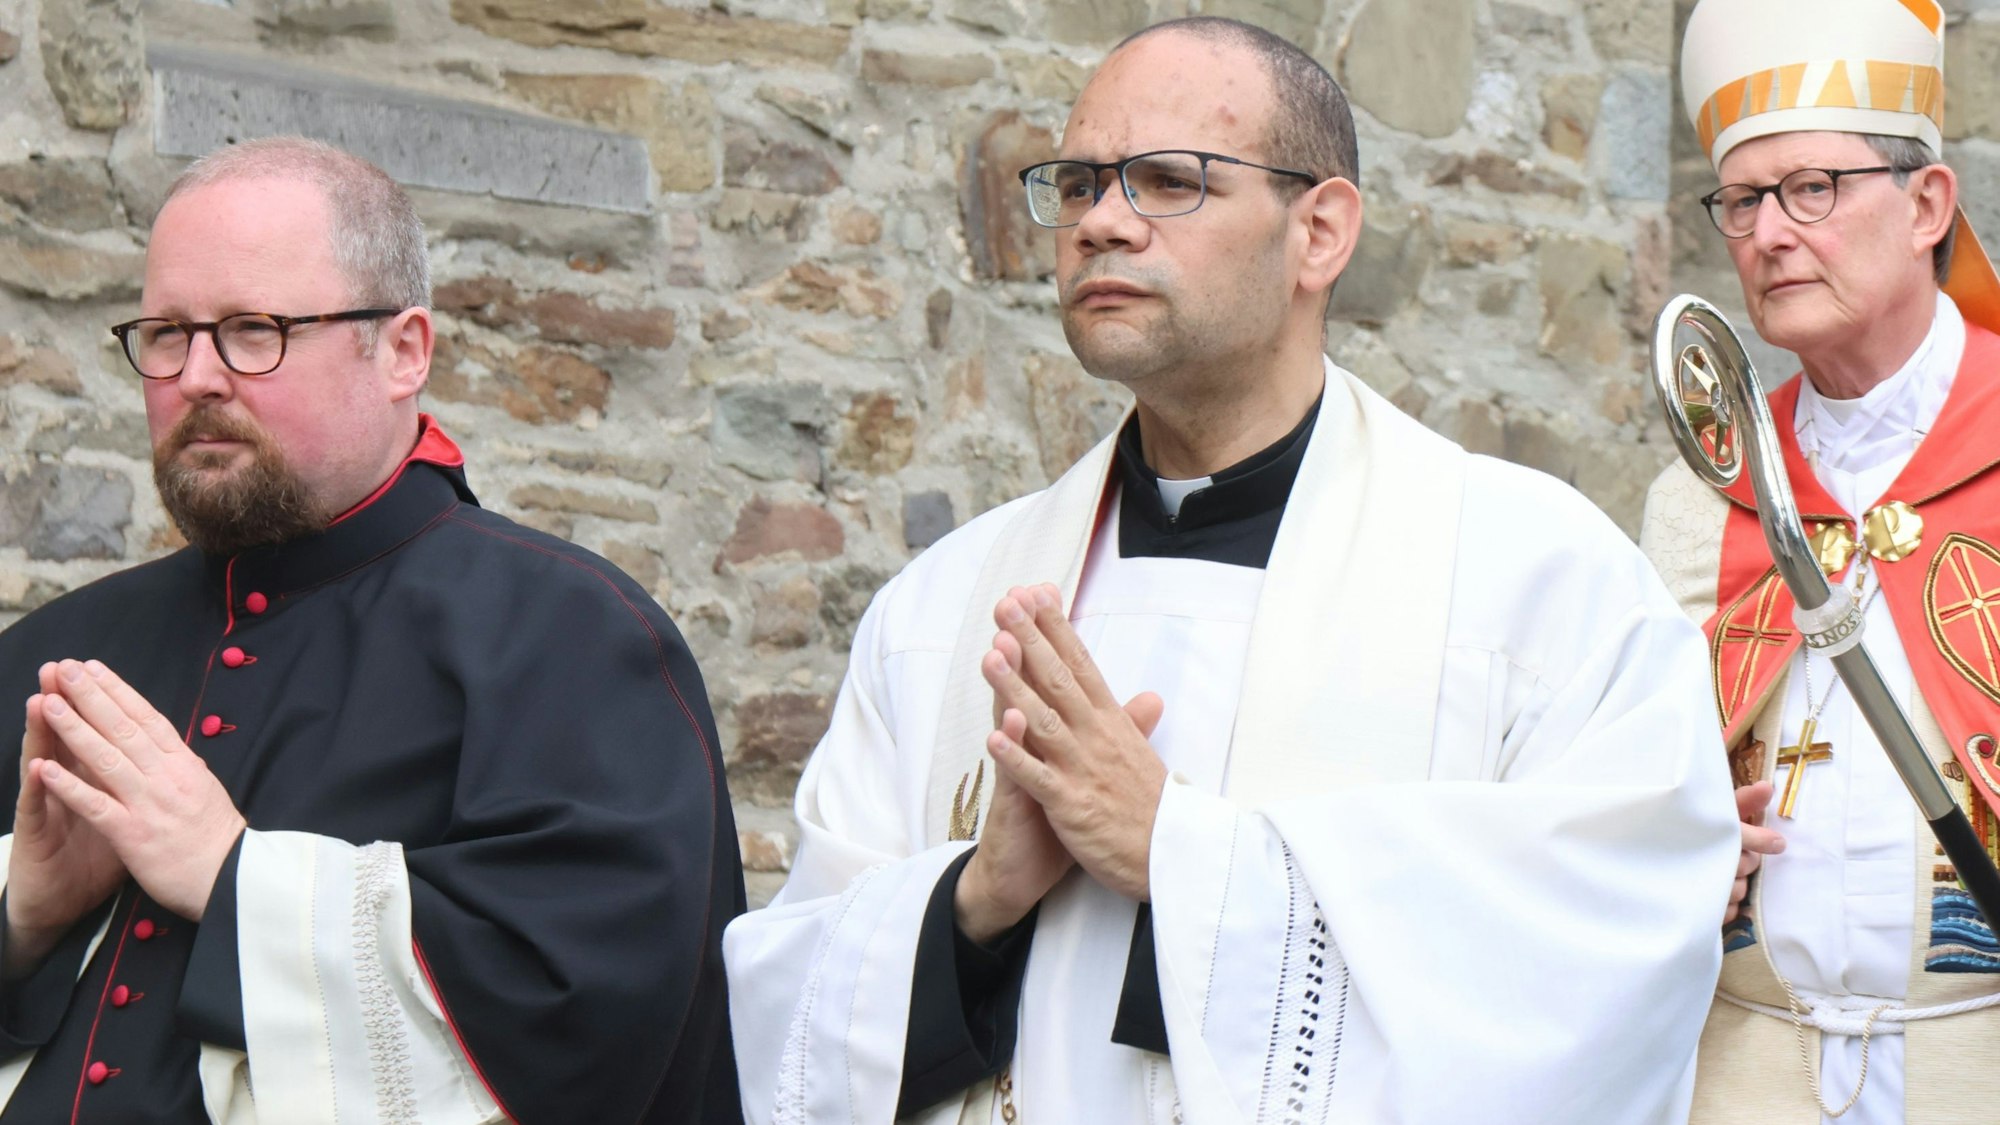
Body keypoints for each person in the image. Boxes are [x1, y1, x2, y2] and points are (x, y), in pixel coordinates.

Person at [724, 16, 1739, 1124]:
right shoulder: (942, 608)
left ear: (1319, 233)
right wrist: (974, 903)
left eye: (1165, 181)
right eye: (1074, 185)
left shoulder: (1536, 585)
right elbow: (783, 1006)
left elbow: (1606, 973)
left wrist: (1177, 853)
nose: (1100, 223)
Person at [0, 138, 744, 1123]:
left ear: (403, 352)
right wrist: (24, 920)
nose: (199, 377)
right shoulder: (58, 650)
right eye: (168, 334)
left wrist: (233, 876)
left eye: (254, 330)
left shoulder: (571, 641)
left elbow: (590, 1017)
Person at [1640, 2, 2000, 1121]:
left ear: (1924, 205)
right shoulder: (1696, 501)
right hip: (1748, 1071)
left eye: (1811, 189)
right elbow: (1631, 796)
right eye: (1741, 201)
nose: (1767, 233)